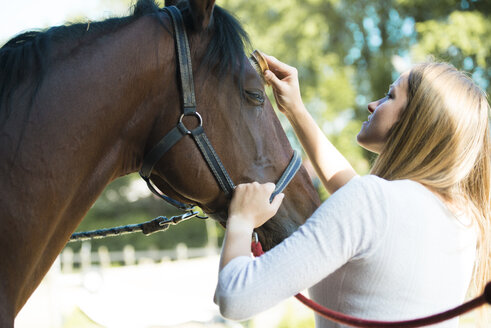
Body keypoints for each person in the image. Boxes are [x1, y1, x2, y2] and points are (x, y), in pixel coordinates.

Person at [214, 55, 491, 328]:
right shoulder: (464, 220)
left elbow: (236, 297)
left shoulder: (373, 202)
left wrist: (241, 219)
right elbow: (357, 195)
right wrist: (296, 109)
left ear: (418, 119)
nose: (373, 105)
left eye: (390, 96)